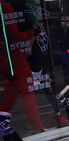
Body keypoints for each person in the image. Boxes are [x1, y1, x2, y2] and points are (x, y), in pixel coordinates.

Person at [0, 0, 45, 133]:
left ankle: (3, 116)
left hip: (4, 54)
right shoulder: (4, 7)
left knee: (12, 89)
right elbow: (13, 36)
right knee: (27, 86)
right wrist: (31, 33)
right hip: (11, 54)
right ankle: (36, 124)